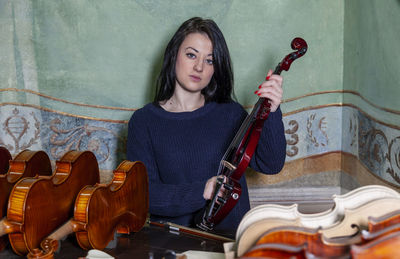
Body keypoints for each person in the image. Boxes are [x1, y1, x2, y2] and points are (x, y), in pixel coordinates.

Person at [127, 17, 286, 235]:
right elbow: (142, 196)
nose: (199, 67)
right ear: (174, 55)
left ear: (216, 68)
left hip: (230, 245)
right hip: (173, 246)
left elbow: (271, 164)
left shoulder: (230, 113)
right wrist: (202, 191)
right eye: (191, 55)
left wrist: (272, 110)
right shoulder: (144, 122)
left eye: (209, 60)